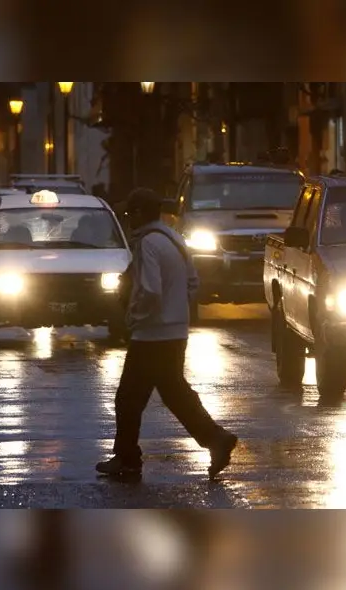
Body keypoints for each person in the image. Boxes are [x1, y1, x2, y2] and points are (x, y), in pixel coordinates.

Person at [96, 188, 239, 479]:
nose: (128, 220)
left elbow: (150, 290)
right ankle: (216, 438)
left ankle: (128, 458)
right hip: (174, 331)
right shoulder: (174, 238)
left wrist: (135, 318)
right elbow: (192, 281)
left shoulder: (148, 243)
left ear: (139, 214)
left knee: (129, 398)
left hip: (151, 334)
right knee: (174, 392)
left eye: (130, 214)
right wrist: (177, 311)